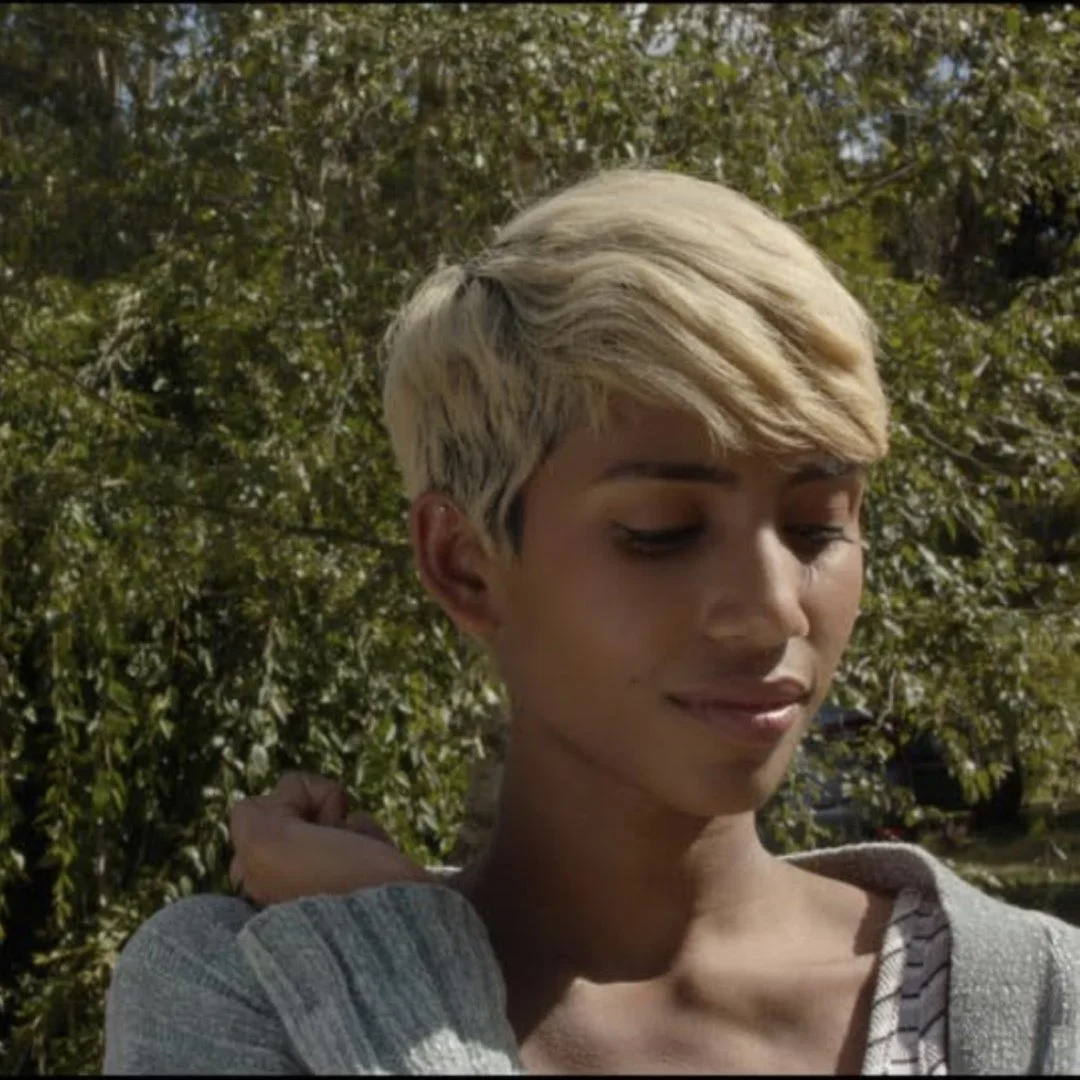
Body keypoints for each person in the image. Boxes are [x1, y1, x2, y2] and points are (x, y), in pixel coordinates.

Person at [103, 168, 1080, 1075]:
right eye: (663, 531)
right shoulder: (244, 997)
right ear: (464, 564)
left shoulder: (1038, 1003)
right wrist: (385, 960)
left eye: (817, 526)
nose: (775, 608)